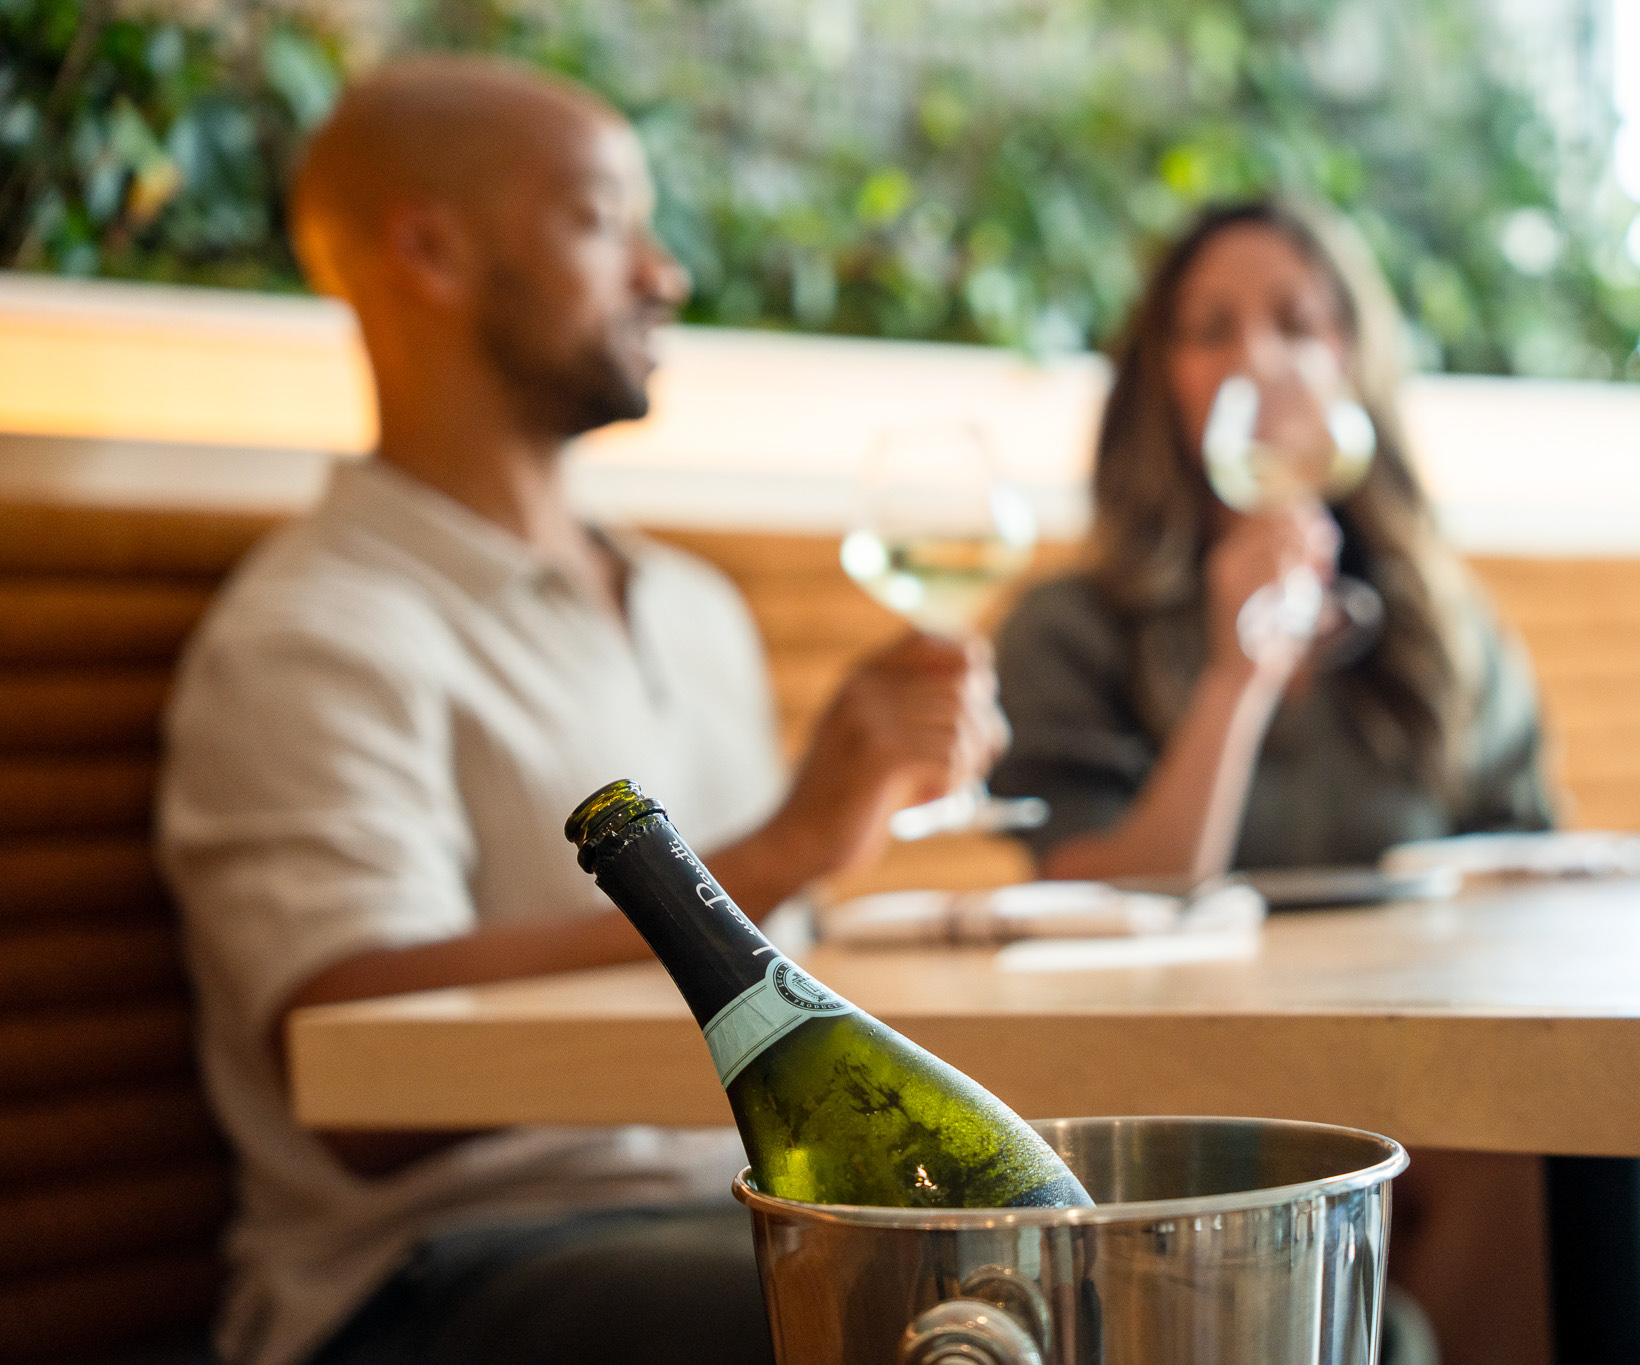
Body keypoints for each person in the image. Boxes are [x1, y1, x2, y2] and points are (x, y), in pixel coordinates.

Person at [157, 56, 1006, 1365]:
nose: (663, 273)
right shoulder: (316, 630)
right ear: (428, 251)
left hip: (743, 1210)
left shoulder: (694, 604)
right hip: (441, 1274)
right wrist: (781, 851)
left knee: (1253, 1289)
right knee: (999, 1320)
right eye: (605, 220)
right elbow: (352, 1075)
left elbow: (794, 959)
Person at [988, 200, 1557, 1363]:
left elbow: (1533, 860)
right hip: (1168, 1094)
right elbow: (1110, 894)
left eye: (1296, 322)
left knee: (1527, 1145)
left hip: (1419, 1063)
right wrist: (1235, 677)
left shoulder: (1440, 625)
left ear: (1350, 359)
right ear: (1158, 379)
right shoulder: (1066, 629)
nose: (1258, 358)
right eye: (1211, 330)